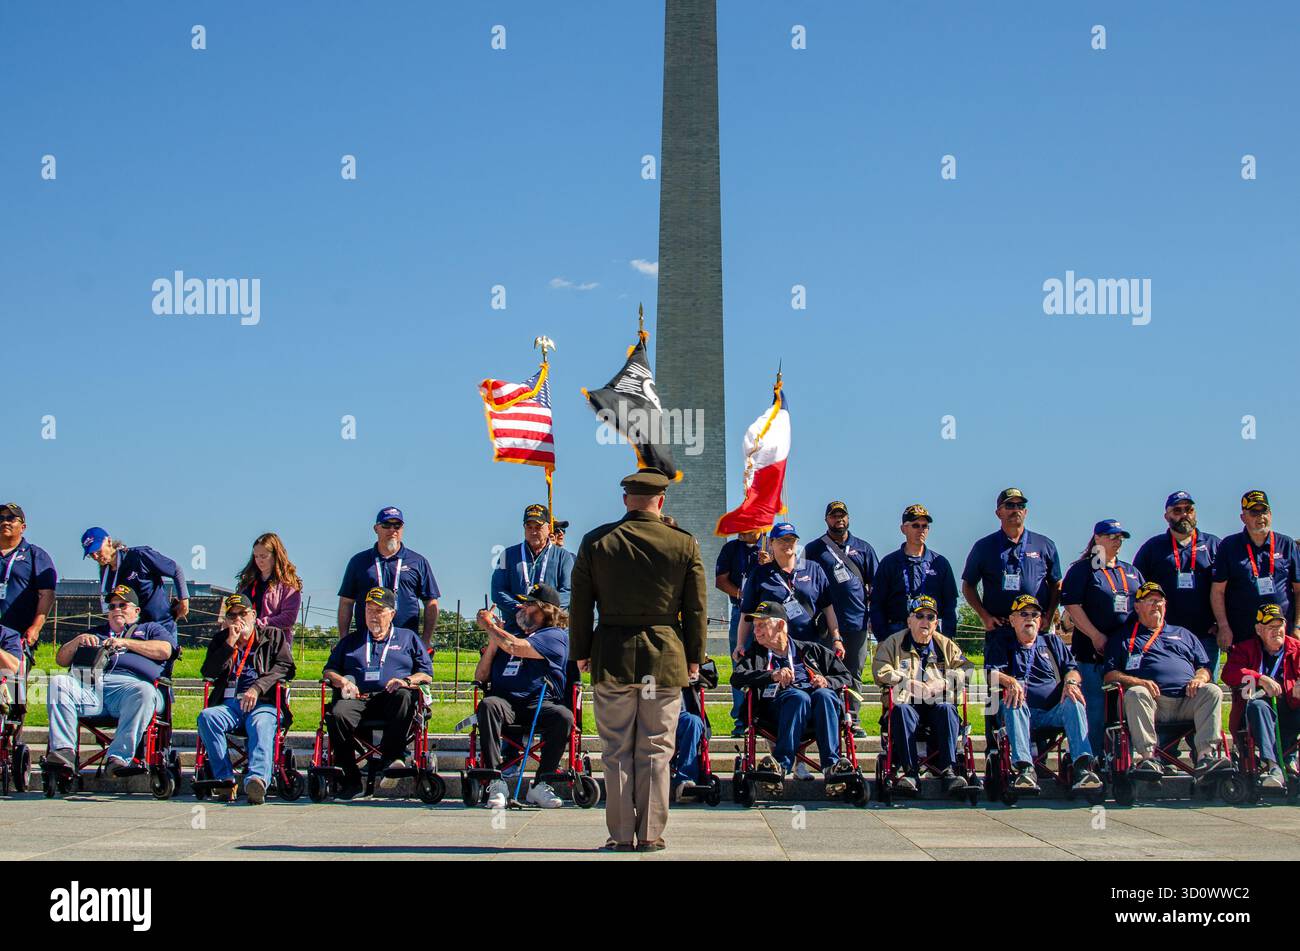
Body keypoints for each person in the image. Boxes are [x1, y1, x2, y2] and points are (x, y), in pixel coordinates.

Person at [569, 468, 708, 853]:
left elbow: (580, 605)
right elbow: (696, 609)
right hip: (663, 657)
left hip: (611, 653)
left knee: (615, 751)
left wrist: (581, 652)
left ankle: (619, 834)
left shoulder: (597, 542)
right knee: (656, 749)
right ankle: (649, 834)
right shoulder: (683, 543)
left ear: (625, 499)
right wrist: (695, 657)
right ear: (661, 501)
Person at [44, 585, 177, 779]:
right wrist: (77, 641)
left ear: (136, 611)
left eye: (122, 605)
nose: (116, 610)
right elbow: (61, 660)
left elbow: (165, 650)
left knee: (144, 691)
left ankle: (118, 758)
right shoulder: (96, 633)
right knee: (58, 681)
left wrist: (126, 643)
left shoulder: (149, 629)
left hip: (131, 689)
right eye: (112, 606)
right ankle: (64, 751)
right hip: (92, 688)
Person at [1104, 582, 1228, 780]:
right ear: (1137, 607)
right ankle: (1148, 757)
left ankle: (1206, 756)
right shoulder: (1123, 637)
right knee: (1136, 692)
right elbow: (1110, 674)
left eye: (1159, 601)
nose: (1156, 605)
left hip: (1188, 698)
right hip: (1153, 703)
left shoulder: (1183, 634)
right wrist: (1139, 681)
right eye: (1150, 601)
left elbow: (1204, 666)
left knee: (1212, 690)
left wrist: (1199, 677)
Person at [323, 586, 434, 799]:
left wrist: (406, 680)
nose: (373, 615)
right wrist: (342, 680)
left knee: (404, 695)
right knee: (336, 713)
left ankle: (392, 759)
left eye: (379, 610)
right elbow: (329, 670)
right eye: (368, 610)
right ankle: (351, 779)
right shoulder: (352, 641)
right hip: (359, 698)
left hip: (391, 698)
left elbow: (427, 674)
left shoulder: (407, 638)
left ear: (392, 614)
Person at [731, 601, 855, 786]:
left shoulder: (810, 649)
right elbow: (737, 678)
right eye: (755, 626)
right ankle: (781, 764)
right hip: (775, 712)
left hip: (818, 713)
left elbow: (846, 676)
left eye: (762, 625)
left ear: (780, 625)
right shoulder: (756, 654)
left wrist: (826, 681)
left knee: (825, 695)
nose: (755, 631)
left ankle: (832, 765)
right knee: (798, 697)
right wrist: (771, 675)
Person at [986, 594, 1101, 792]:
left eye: (1034, 614)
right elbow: (991, 673)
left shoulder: (1051, 642)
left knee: (1074, 700)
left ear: (1040, 620)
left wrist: (1071, 682)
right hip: (1020, 710)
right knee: (1014, 702)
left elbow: (1072, 669)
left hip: (1052, 711)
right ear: (1012, 620)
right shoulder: (1002, 642)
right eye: (1023, 614)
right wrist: (1010, 681)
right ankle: (1025, 769)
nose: (1029, 618)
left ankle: (1083, 767)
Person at [473, 583, 573, 810]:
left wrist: (490, 627)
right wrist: (492, 641)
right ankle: (495, 781)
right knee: (488, 704)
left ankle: (541, 783)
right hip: (505, 702)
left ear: (546, 610)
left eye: (528, 604)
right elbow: (481, 675)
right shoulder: (508, 635)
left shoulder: (554, 636)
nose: (521, 607)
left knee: (563, 716)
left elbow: (515, 647)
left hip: (538, 704)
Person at [196, 593, 296, 804]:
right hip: (230, 704)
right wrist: (229, 644)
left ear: (253, 614)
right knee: (207, 717)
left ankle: (257, 780)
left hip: (263, 702)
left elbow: (286, 667)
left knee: (261, 723)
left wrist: (258, 687)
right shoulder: (221, 640)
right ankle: (224, 779)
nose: (237, 620)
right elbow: (209, 671)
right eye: (232, 616)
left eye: (242, 614)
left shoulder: (272, 636)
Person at [872, 596, 975, 793]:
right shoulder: (893, 642)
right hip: (906, 702)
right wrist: (906, 682)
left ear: (936, 623)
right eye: (919, 616)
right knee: (902, 711)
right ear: (909, 620)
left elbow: (967, 670)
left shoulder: (946, 645)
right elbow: (880, 671)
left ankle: (948, 770)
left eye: (930, 617)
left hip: (936, 703)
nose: (925, 621)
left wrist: (943, 682)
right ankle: (910, 772)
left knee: (947, 709)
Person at [1061, 519, 1144, 754]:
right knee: (1094, 712)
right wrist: (1095, 635)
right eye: (1111, 536)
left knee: (1125, 711)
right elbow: (1072, 606)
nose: (1117, 541)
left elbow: (1145, 606)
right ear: (1097, 538)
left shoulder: (1131, 571)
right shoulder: (1083, 569)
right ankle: (1093, 760)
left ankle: (1126, 758)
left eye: (1120, 537)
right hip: (1092, 654)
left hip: (1125, 657)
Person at [803, 501, 877, 736]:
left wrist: (873, 616)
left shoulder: (863, 548)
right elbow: (802, 579)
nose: (839, 520)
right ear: (826, 520)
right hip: (824, 625)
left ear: (849, 518)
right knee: (825, 673)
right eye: (834, 516)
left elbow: (874, 584)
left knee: (854, 672)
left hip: (856, 622)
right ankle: (830, 718)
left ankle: (853, 720)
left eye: (842, 516)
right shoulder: (815, 549)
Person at [1134, 492, 1222, 680]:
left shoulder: (1214, 545)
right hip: (1164, 636)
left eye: (1188, 510)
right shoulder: (1152, 548)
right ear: (1166, 516)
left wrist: (1221, 623)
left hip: (1205, 635)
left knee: (1205, 689)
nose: (1184, 515)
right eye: (1177, 510)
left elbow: (1227, 590)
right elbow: (1137, 589)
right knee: (1170, 688)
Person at [961, 488, 1062, 648]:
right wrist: (985, 617)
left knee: (1038, 672)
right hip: (1000, 628)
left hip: (1035, 628)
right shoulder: (984, 547)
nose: (1016, 510)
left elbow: (1056, 584)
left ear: (1026, 511)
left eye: (1020, 505)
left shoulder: (1044, 545)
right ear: (998, 512)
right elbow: (968, 585)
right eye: (1009, 506)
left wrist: (1049, 616)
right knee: (998, 674)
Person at [337, 506, 441, 648]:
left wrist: (426, 640)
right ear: (376, 528)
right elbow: (346, 602)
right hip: (365, 640)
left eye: (397, 525)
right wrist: (344, 638)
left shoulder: (418, 561)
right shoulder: (359, 561)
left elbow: (431, 603)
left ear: (402, 528)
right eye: (386, 525)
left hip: (406, 641)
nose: (392, 530)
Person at [1222, 603, 1300, 790]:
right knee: (1258, 706)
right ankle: (1274, 768)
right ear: (1259, 629)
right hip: (1259, 713)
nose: (1277, 631)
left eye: (1279, 626)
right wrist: (1260, 678)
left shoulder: (1296, 648)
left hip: (1291, 709)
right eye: (1270, 627)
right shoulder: (1245, 649)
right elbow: (1229, 673)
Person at [1212, 490, 1299, 651]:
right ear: (1243, 517)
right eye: (1254, 512)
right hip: (1243, 633)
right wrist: (1223, 626)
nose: (1260, 517)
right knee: (1245, 676)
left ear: (1271, 514)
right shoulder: (1229, 545)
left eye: (1264, 511)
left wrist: (1298, 627)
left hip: (1281, 633)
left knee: (1284, 676)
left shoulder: (1286, 544)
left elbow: (1298, 590)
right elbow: (1217, 591)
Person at [735, 522, 840, 655]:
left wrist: (837, 639)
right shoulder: (759, 574)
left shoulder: (813, 569)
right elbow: (746, 612)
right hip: (773, 647)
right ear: (771, 543)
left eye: (791, 539)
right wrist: (740, 644)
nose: (787, 543)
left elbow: (828, 608)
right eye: (782, 540)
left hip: (811, 644)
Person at [870, 503, 959, 640]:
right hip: (897, 632)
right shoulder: (889, 563)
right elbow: (877, 604)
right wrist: (883, 638)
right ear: (903, 529)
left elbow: (950, 604)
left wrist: (947, 638)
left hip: (931, 632)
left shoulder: (940, 563)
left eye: (925, 526)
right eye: (915, 525)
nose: (921, 530)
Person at [81, 528, 189, 633]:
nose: (95, 556)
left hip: (161, 624)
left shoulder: (139, 556)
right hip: (133, 630)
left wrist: (183, 600)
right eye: (91, 554)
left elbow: (176, 570)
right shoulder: (105, 572)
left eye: (98, 551)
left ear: (109, 541)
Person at [490, 504, 575, 634]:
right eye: (529, 527)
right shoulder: (506, 555)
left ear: (548, 528)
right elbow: (497, 590)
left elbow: (568, 591)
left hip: (550, 630)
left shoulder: (564, 557)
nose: (533, 532)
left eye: (538, 527)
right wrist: (519, 609)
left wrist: (542, 612)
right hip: (515, 629)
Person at [715, 529, 764, 736]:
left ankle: (765, 716)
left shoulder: (771, 545)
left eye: (748, 525)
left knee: (768, 663)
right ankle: (741, 719)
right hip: (740, 610)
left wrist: (769, 564)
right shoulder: (731, 548)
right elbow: (720, 580)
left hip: (767, 613)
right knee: (740, 661)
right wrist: (742, 594)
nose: (742, 530)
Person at [0, 503, 57, 654]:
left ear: (23, 527)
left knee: (10, 677)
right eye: (1, 518)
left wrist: (36, 627)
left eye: (11, 518)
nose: (5, 522)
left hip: (16, 636)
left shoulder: (35, 555)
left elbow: (47, 594)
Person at [236, 532, 303, 641]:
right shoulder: (247, 582)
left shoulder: (288, 584)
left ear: (276, 555)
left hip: (274, 645)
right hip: (245, 642)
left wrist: (258, 624)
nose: (259, 561)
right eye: (256, 556)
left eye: (263, 556)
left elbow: (288, 618)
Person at [670, 658, 717, 802]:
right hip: (654, 712)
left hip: (681, 714)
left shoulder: (688, 654)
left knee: (694, 722)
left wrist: (696, 665)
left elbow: (712, 679)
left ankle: (685, 782)